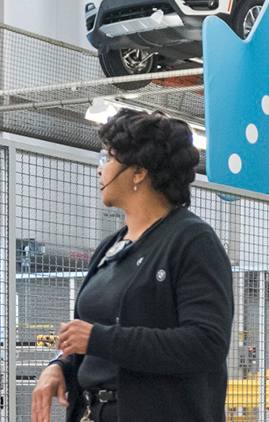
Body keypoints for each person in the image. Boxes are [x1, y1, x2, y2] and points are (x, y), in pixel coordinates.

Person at [30, 109, 234, 422]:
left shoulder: (192, 241)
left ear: (138, 172)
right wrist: (60, 366)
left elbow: (207, 343)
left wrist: (100, 338)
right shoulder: (110, 247)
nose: (99, 170)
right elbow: (93, 343)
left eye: (107, 158)